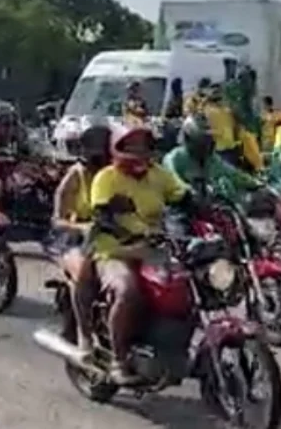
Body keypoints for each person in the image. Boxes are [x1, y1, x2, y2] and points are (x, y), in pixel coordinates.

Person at [89, 125, 196, 383]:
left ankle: (173, 347)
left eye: (144, 146)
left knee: (189, 285)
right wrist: (128, 232)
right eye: (132, 146)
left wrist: (207, 207)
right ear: (117, 148)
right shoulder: (106, 177)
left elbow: (182, 196)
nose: (139, 152)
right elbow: (102, 216)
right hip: (115, 250)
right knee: (128, 291)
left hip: (154, 249)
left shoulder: (159, 174)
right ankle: (118, 358)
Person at [49, 120, 112, 360]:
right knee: (84, 274)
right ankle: (85, 335)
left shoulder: (122, 174)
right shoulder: (77, 174)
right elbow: (57, 220)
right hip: (72, 238)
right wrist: (83, 227)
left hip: (113, 237)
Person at [163, 115, 261, 202]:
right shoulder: (174, 158)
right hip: (180, 212)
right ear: (189, 139)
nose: (206, 146)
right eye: (202, 142)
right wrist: (188, 190)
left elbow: (232, 173)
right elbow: (173, 180)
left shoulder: (210, 158)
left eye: (208, 141)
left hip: (206, 207)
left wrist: (255, 183)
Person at [201, 84, 242, 168]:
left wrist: (204, 132)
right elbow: (235, 126)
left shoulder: (210, 112)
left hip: (222, 149)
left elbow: (218, 131)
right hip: (232, 145)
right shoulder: (227, 111)